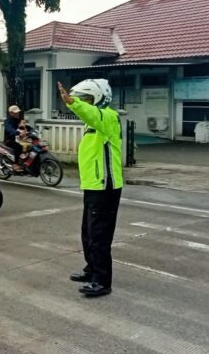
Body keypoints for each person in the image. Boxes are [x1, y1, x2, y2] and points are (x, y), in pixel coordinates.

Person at [58, 79, 123, 297]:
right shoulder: (93, 122)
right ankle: (92, 269)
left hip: (105, 187)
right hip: (93, 185)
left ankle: (102, 281)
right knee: (88, 232)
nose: (82, 102)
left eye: (86, 99)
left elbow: (91, 114)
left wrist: (72, 102)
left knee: (99, 236)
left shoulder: (109, 117)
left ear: (99, 99)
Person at [3, 105, 27, 171]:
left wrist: (32, 131)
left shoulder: (19, 120)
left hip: (18, 140)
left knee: (29, 146)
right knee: (19, 147)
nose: (17, 114)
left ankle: (24, 162)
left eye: (18, 112)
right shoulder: (7, 121)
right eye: (15, 113)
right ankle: (15, 164)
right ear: (11, 113)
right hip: (9, 140)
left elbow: (25, 127)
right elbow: (9, 129)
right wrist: (17, 132)